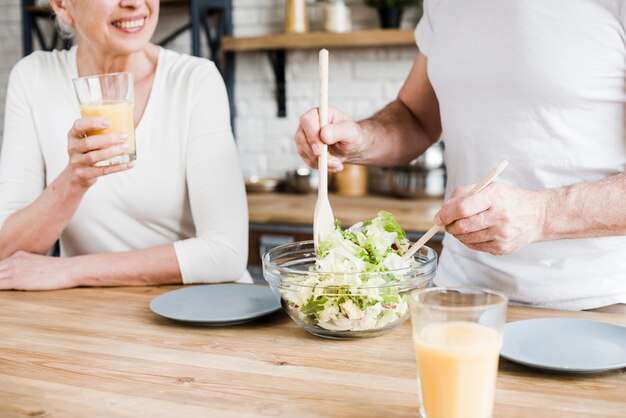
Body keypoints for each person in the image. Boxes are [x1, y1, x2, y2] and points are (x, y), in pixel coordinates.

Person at [295, 0, 626, 313]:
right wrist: (362, 138)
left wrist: (541, 214)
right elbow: (415, 116)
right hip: (457, 296)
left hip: (598, 303)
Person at [0, 0, 249, 290]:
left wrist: (71, 271)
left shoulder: (194, 81)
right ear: (63, 6)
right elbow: (8, 253)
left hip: (196, 315)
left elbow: (227, 252)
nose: (133, 3)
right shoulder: (33, 79)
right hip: (96, 318)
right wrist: (74, 180)